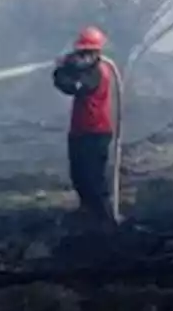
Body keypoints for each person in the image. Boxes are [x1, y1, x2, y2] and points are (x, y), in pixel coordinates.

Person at [52, 26, 119, 229]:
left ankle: (105, 222)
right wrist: (68, 66)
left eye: (84, 53)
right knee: (80, 176)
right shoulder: (90, 69)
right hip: (81, 131)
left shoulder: (98, 72)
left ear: (95, 53)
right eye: (79, 52)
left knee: (94, 180)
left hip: (95, 132)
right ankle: (88, 216)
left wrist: (62, 70)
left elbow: (72, 86)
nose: (80, 56)